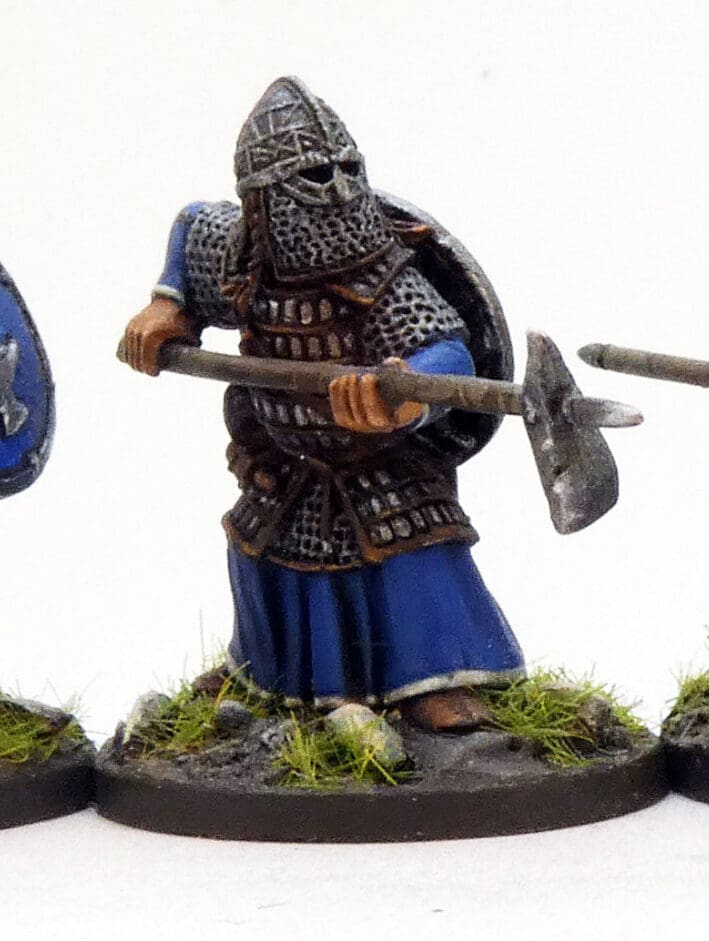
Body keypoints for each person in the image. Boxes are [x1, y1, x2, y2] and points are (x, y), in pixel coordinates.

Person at [118, 77, 521, 733]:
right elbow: (192, 224)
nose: (335, 189)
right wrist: (169, 302)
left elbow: (449, 354)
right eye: (311, 176)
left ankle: (438, 679)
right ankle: (264, 674)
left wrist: (400, 393)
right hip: (284, 455)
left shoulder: (384, 274)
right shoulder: (243, 258)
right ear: (262, 201)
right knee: (259, 547)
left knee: (412, 546)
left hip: (381, 462)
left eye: (345, 170)